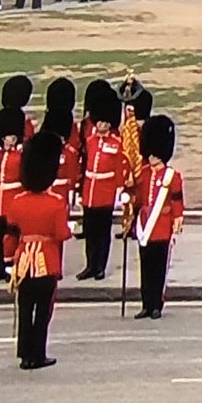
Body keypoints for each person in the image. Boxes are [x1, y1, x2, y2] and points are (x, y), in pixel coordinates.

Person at [4, 131, 72, 370]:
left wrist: (8, 260)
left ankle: (24, 353)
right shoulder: (55, 202)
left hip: (23, 261)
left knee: (25, 308)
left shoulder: (17, 200)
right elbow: (62, 234)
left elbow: (10, 234)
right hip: (46, 260)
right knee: (43, 311)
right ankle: (38, 354)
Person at [132, 115, 185, 320]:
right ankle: (146, 304)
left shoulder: (172, 176)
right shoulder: (143, 173)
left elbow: (177, 201)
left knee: (158, 269)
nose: (152, 158)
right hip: (145, 227)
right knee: (146, 269)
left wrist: (177, 221)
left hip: (162, 226)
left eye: (155, 154)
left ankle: (157, 304)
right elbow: (138, 198)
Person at [77, 85, 129, 281]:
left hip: (105, 192)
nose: (101, 125)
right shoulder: (90, 141)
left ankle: (100, 267)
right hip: (90, 190)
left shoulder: (116, 143)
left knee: (102, 233)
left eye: (105, 122)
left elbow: (119, 169)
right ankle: (90, 265)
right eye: (98, 122)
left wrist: (117, 192)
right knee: (90, 232)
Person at [0, 106, 24, 282]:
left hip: (12, 201)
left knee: (12, 238)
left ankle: (13, 268)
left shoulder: (20, 156)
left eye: (13, 138)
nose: (11, 140)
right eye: (8, 137)